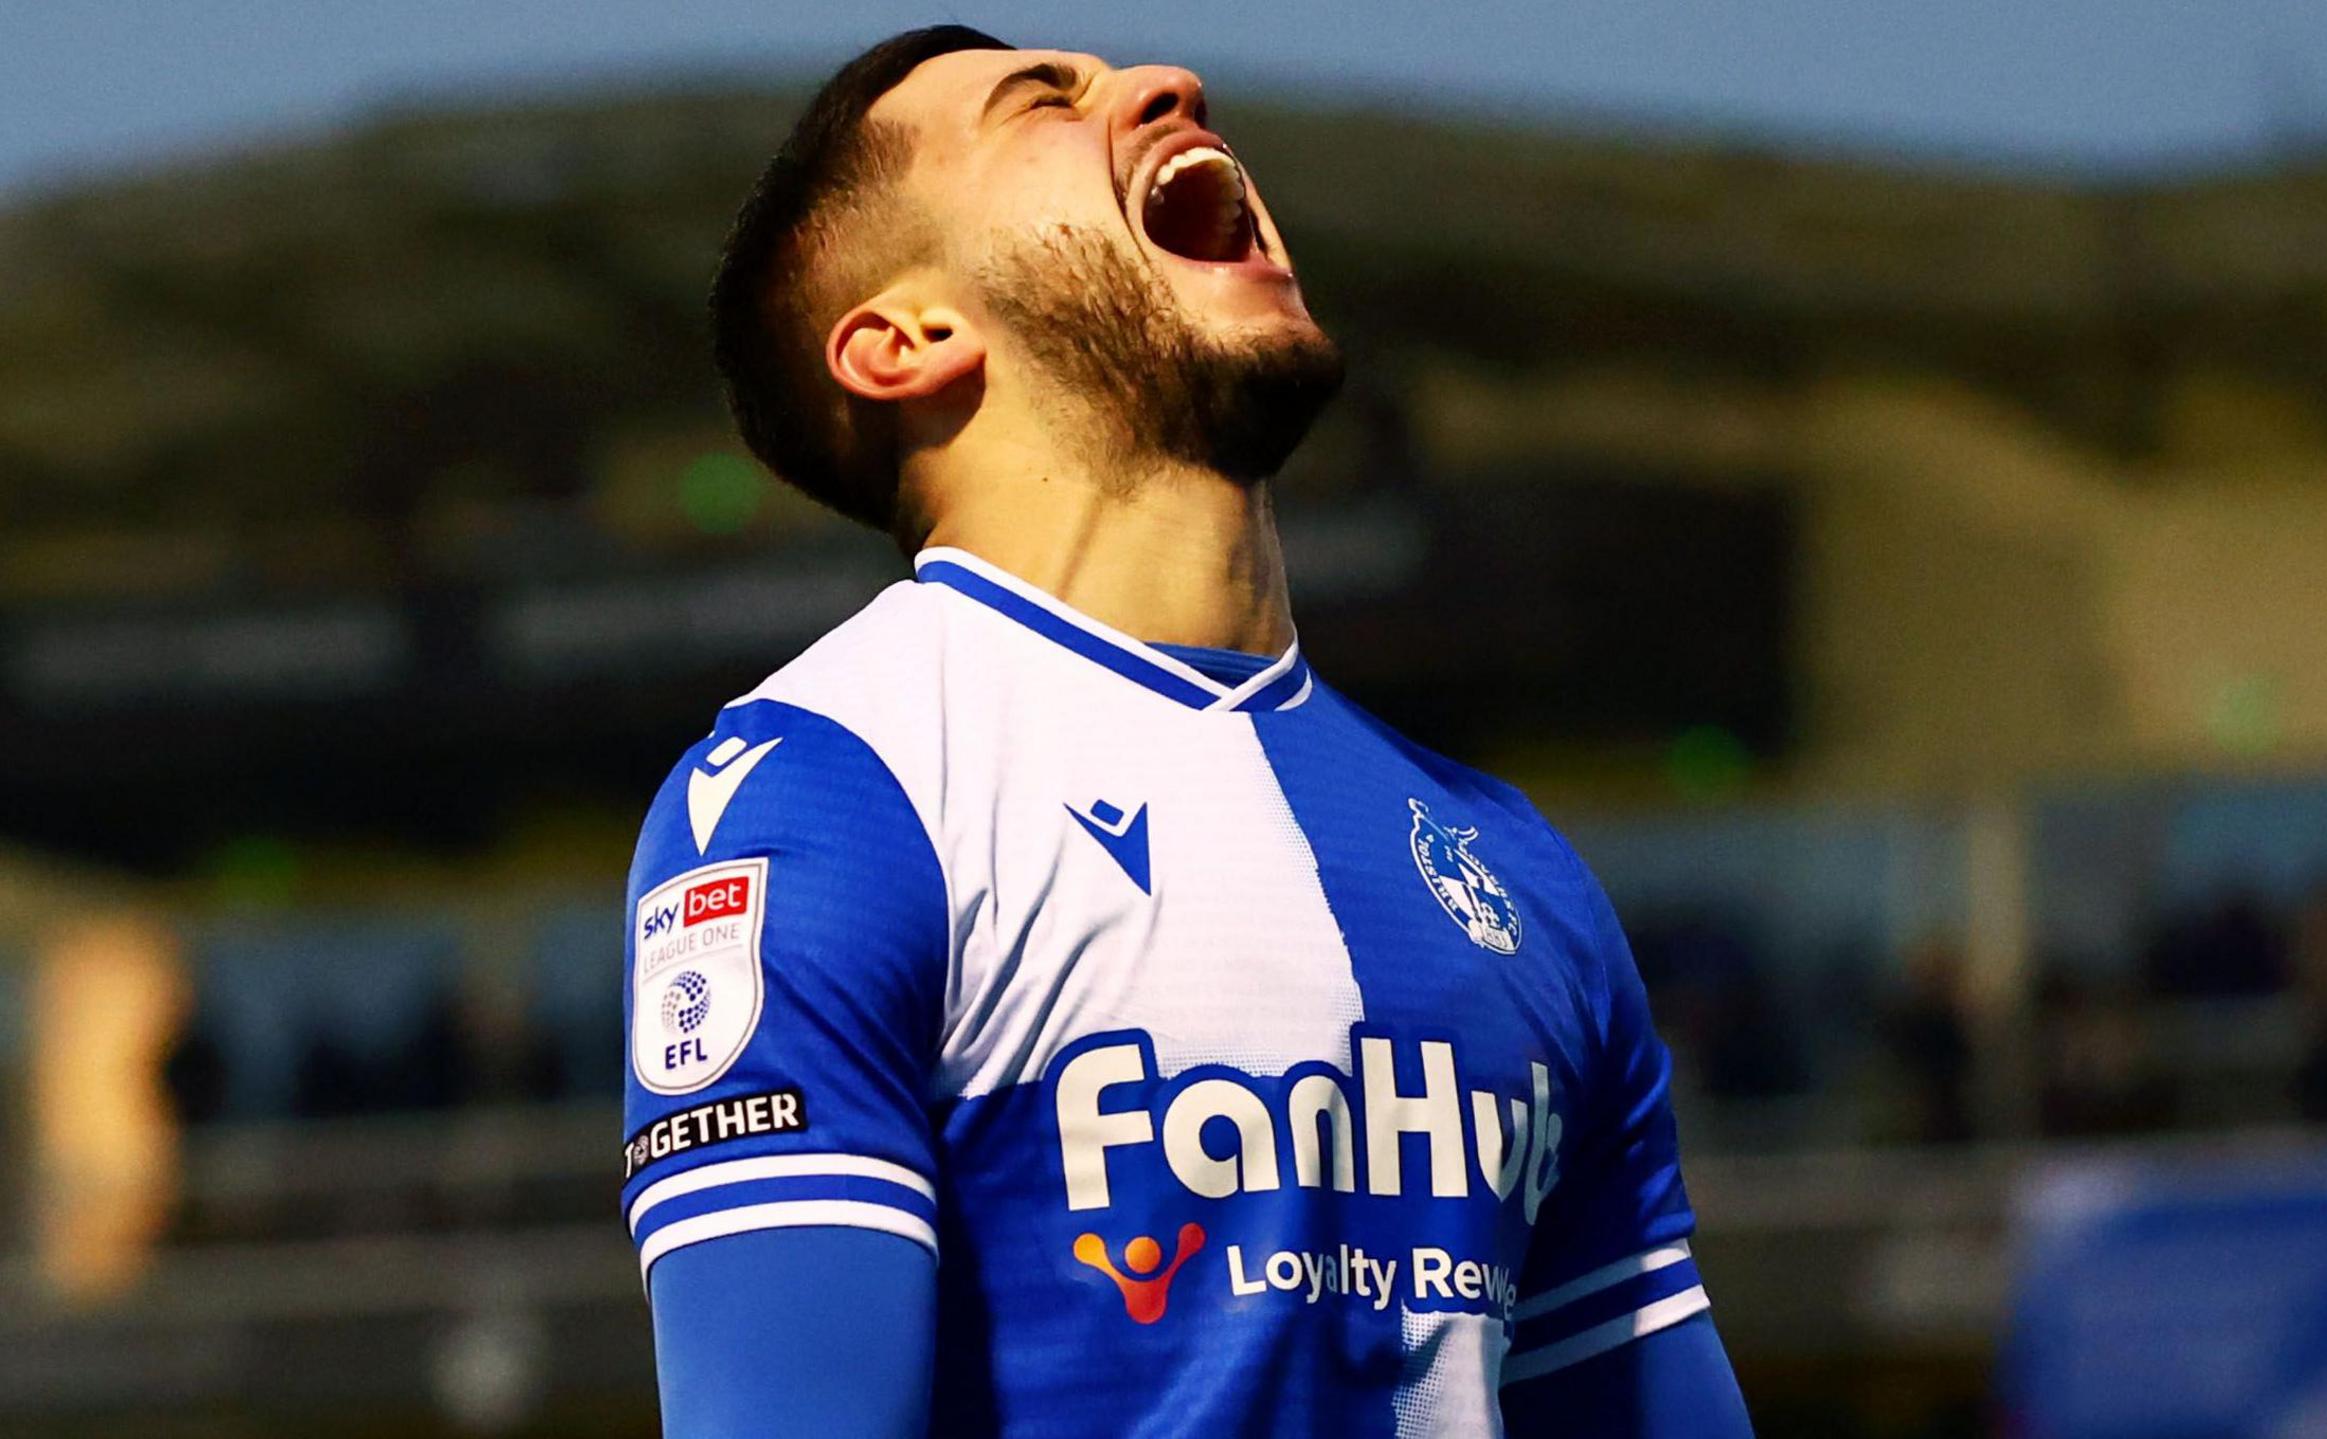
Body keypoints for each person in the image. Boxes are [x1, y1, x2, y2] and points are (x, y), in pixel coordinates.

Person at [621, 26, 1754, 1438]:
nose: (1171, 85)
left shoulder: (1513, 869)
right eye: (1046, 100)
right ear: (906, 339)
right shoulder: (827, 792)